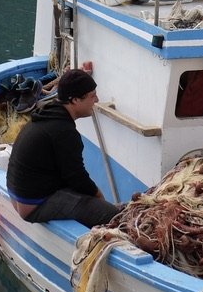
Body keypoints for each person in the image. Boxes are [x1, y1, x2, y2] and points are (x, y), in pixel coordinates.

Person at [6, 68, 121, 228]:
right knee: (112, 215)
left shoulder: (47, 114)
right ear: (74, 100)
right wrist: (99, 198)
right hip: (33, 207)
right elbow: (76, 178)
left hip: (19, 197)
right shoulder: (64, 131)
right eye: (92, 96)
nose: (96, 100)